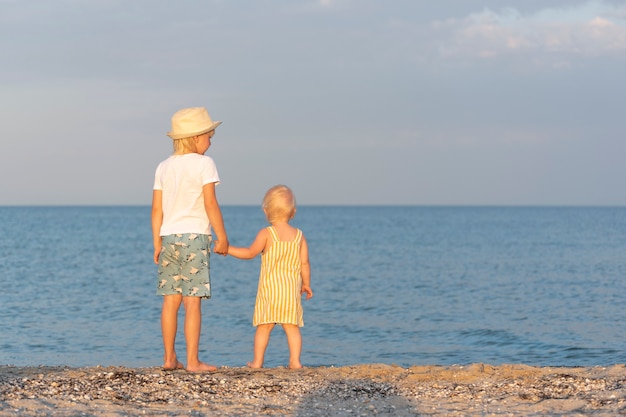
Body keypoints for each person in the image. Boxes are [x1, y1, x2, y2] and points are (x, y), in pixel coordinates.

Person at [152, 107, 229, 372]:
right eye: (209, 135)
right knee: (192, 302)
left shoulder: (163, 166)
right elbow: (210, 203)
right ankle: (193, 360)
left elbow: (156, 210)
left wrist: (156, 243)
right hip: (195, 237)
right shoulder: (205, 164)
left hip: (169, 237)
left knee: (170, 300)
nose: (211, 140)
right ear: (196, 138)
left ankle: (169, 358)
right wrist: (222, 236)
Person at [228, 185, 312, 369]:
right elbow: (304, 263)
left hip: (270, 290)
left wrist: (228, 249)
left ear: (266, 211)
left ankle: (257, 361)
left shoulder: (267, 234)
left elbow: (250, 253)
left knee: (264, 327)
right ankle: (295, 361)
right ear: (293, 212)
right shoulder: (299, 236)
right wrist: (306, 284)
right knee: (292, 327)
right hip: (290, 290)